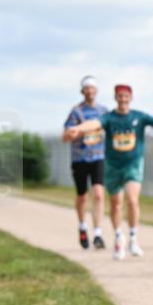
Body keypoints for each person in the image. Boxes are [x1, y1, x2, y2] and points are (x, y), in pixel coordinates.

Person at [64, 84, 153, 260]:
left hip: (133, 163)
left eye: (126, 96)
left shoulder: (139, 116)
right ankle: (118, 236)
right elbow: (94, 124)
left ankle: (133, 238)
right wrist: (78, 128)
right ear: (116, 98)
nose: (123, 99)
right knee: (116, 203)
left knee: (132, 199)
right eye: (120, 96)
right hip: (113, 166)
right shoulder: (109, 118)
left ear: (130, 98)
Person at [63, 76, 109, 250]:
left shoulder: (104, 111)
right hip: (80, 159)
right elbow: (65, 135)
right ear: (82, 91)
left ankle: (98, 233)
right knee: (82, 196)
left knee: (98, 193)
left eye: (92, 88)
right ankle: (82, 226)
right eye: (86, 88)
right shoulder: (76, 112)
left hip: (98, 157)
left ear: (96, 91)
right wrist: (76, 133)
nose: (90, 91)